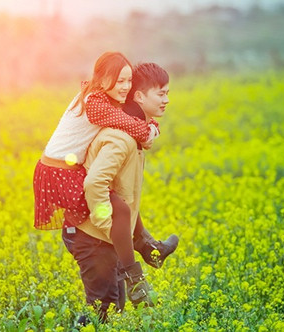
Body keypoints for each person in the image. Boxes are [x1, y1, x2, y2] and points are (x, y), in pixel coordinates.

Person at [62, 62, 179, 323]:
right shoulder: (121, 138)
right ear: (139, 96)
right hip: (92, 234)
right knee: (102, 312)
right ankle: (144, 254)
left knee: (113, 310)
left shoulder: (135, 133)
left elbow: (121, 193)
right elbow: (95, 185)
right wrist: (107, 228)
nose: (167, 100)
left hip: (102, 234)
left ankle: (148, 245)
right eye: (161, 94)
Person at [33, 52, 159, 276]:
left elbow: (133, 119)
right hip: (59, 172)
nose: (126, 86)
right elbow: (130, 124)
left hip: (65, 167)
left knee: (122, 198)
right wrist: (148, 132)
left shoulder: (102, 96)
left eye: (129, 80)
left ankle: (145, 243)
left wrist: (151, 127)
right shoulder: (95, 103)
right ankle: (133, 271)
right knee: (118, 208)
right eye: (120, 81)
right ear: (101, 80)